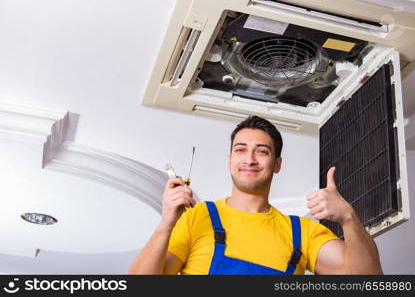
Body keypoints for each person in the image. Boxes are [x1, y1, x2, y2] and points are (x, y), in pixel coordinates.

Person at [128, 115, 383, 275]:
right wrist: (166, 224)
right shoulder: (197, 217)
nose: (249, 159)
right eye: (241, 150)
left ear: (277, 164)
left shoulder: (302, 233)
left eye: (262, 151)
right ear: (230, 160)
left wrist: (349, 218)